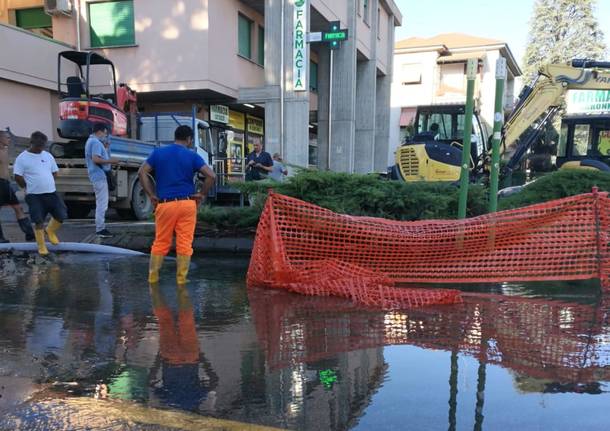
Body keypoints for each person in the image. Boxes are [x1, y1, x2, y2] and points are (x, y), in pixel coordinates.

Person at [139, 125, 216, 284]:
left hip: (165, 204)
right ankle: (181, 280)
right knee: (185, 243)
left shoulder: (158, 153)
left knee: (161, 242)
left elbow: (142, 172)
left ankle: (153, 278)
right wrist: (201, 194)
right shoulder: (192, 155)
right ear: (189, 139)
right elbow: (211, 176)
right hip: (187, 204)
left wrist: (151, 195)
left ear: (175, 137)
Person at [13, 131, 67, 255]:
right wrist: (26, 186)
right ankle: (42, 247)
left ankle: (50, 231)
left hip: (51, 192)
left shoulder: (47, 156)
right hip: (34, 195)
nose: (40, 149)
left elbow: (54, 172)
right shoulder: (22, 158)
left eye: (42, 146)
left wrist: (47, 182)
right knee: (38, 220)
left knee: (61, 214)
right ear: (31, 143)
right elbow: (17, 176)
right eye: (38, 146)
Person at [85, 122, 121, 238]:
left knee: (101, 202)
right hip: (99, 176)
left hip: (96, 175)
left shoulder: (91, 141)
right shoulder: (95, 142)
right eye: (105, 133)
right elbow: (96, 159)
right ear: (100, 131)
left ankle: (101, 228)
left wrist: (105, 148)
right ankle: (100, 229)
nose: (105, 135)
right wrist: (112, 161)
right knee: (102, 204)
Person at [0, 130, 34, 242]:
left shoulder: (5, 150)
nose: (9, 139)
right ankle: (1, 239)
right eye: (7, 137)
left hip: (6, 184)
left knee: (18, 208)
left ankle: (30, 234)